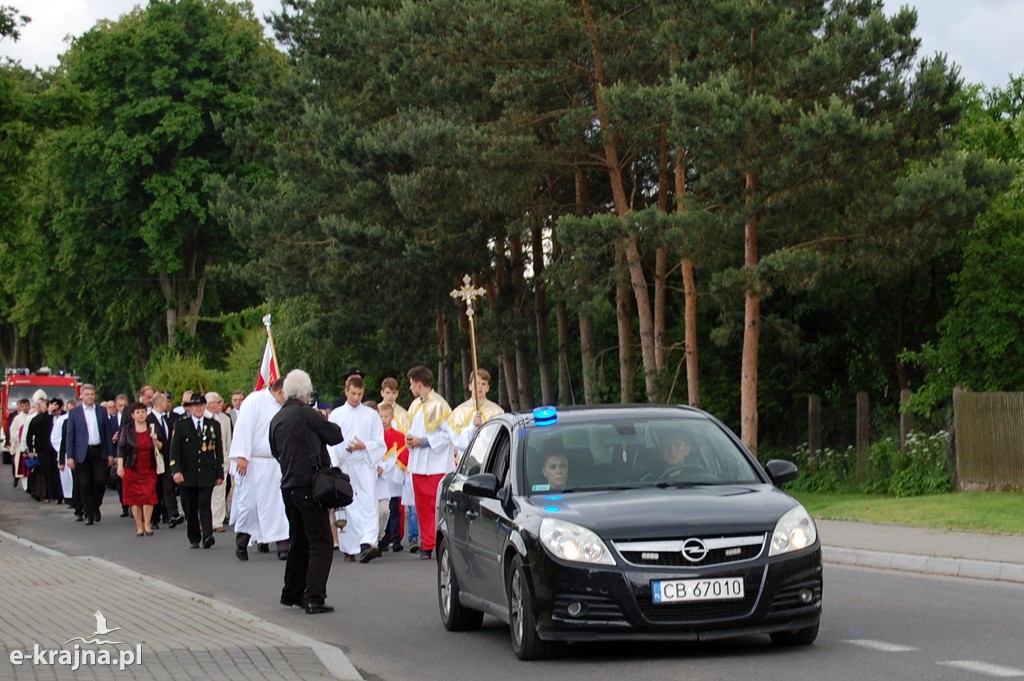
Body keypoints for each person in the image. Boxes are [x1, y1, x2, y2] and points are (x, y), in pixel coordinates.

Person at [269, 369, 343, 615]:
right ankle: (314, 596)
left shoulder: (277, 418)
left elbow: (274, 451)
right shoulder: (307, 414)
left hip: (288, 485)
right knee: (321, 542)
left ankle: (291, 592)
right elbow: (335, 435)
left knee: (298, 540)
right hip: (310, 486)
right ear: (306, 394)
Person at [229, 378, 290, 561]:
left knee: (278, 506)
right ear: (280, 391)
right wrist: (241, 455)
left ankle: (283, 545)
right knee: (250, 506)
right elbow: (243, 427)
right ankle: (242, 541)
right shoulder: (254, 401)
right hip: (253, 462)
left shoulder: (285, 407)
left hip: (275, 463)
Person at [328, 374, 386, 563]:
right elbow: (330, 443)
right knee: (348, 504)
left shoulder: (371, 415)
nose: (356, 397)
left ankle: (368, 543)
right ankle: (349, 548)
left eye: (360, 394)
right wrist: (334, 464)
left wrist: (365, 446)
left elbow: (380, 442)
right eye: (353, 393)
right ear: (346, 392)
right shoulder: (336, 415)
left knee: (368, 504)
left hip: (365, 465)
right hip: (345, 465)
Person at [404, 365, 454, 561]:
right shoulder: (415, 405)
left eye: (411, 384)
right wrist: (411, 440)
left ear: (418, 383)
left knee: (436, 506)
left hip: (436, 465)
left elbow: (446, 435)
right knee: (422, 507)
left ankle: (443, 543)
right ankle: (427, 544)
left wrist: (423, 442)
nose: (410, 388)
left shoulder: (440, 405)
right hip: (418, 464)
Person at [169, 392, 224, 549]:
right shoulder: (181, 425)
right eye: (195, 406)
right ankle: (194, 536)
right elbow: (175, 451)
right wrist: (176, 470)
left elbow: (218, 451)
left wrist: (219, 472)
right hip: (188, 473)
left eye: (201, 405)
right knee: (191, 506)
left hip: (207, 472)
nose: (198, 409)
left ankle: (207, 535)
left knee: (204, 503)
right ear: (189, 408)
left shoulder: (213, 425)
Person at [64, 384, 113, 525]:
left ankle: (95, 504)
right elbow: (70, 436)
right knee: (85, 484)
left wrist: (110, 454)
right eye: (87, 394)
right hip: (82, 452)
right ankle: (89, 513)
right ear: (81, 395)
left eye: (92, 394)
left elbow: (108, 433)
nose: (90, 397)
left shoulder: (102, 411)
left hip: (99, 451)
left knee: (101, 480)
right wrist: (70, 457)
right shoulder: (75, 413)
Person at [116, 403, 162, 536]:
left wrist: (156, 440)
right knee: (135, 499)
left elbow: (161, 446)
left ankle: (147, 524)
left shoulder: (152, 428)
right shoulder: (127, 429)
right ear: (132, 415)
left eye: (143, 411)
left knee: (149, 496)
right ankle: (139, 526)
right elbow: (121, 449)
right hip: (132, 468)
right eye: (138, 412)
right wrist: (120, 466)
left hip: (149, 468)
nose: (141, 414)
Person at [447, 369, 503, 460]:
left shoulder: (497, 411)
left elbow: (497, 439)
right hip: (465, 460)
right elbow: (456, 439)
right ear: (470, 386)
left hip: (488, 460)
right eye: (477, 383)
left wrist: (484, 427)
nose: (480, 387)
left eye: (483, 384)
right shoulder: (459, 411)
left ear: (487, 388)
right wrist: (472, 427)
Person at [146, 392, 179, 529]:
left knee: (168, 487)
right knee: (155, 489)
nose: (168, 404)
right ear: (160, 403)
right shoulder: (149, 419)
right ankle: (154, 518)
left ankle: (172, 515)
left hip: (167, 458)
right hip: (154, 459)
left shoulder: (167, 419)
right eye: (166, 402)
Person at [377, 402, 405, 552]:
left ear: (392, 417)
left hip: (393, 478)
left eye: (386, 416)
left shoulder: (399, 436)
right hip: (381, 480)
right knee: (383, 510)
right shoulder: (377, 435)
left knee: (394, 509)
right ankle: (383, 537)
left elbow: (401, 457)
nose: (383, 419)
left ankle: (395, 538)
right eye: (381, 416)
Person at [205, 392, 234, 533]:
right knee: (205, 493)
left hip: (221, 460)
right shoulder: (202, 417)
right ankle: (205, 520)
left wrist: (229, 459)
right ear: (209, 404)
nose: (221, 405)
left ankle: (217, 521)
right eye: (218, 402)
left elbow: (228, 441)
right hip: (205, 462)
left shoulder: (225, 419)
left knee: (220, 492)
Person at [25, 396, 59, 502]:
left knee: (53, 471)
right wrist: (30, 449)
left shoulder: (54, 418)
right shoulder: (36, 419)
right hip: (42, 450)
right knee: (43, 472)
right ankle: (45, 494)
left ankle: (53, 493)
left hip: (54, 449)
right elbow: (29, 435)